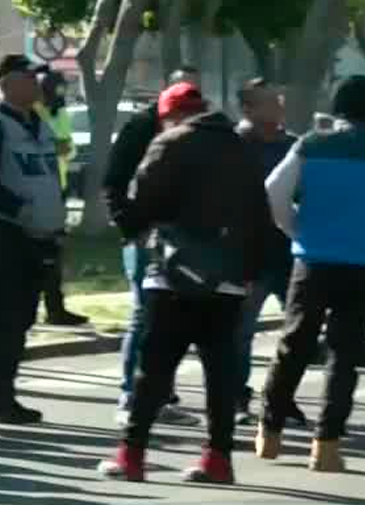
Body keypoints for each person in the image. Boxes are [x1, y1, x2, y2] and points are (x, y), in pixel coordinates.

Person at [98, 82, 269, 484]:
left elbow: (145, 204)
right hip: (228, 277)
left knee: (154, 368)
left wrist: (131, 223)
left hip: (174, 275)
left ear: (170, 114)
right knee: (221, 371)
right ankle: (218, 459)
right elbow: (260, 215)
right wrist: (248, 270)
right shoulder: (242, 147)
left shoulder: (171, 143)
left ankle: (131, 455)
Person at [256, 76, 365, 473]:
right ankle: (327, 445)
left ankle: (270, 432)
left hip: (312, 260)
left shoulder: (311, 144)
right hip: (360, 265)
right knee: (344, 354)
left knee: (294, 344)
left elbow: (273, 191)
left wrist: (295, 228)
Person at [0, 55, 65, 424]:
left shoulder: (38, 123)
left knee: (23, 315)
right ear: (6, 83)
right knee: (0, 314)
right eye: (28, 77)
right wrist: (23, 213)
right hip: (6, 234)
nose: (37, 84)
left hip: (41, 235)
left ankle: (8, 391)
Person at [102, 67, 203, 428]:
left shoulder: (200, 132)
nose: (191, 101)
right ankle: (131, 396)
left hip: (185, 238)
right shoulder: (142, 128)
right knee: (145, 315)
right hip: (147, 236)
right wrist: (132, 229)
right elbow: (113, 181)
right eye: (183, 92)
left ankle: (160, 395)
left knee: (172, 320)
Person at [233, 78, 303, 426]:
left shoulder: (295, 146)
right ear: (247, 109)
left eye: (279, 100)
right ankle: (236, 399)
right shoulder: (233, 145)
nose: (278, 107)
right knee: (240, 331)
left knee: (297, 332)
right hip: (248, 254)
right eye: (268, 102)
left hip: (290, 253)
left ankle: (282, 398)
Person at [34, 68, 88, 327]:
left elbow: (69, 148)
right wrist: (55, 146)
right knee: (35, 252)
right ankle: (33, 308)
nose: (56, 97)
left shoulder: (60, 113)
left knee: (54, 253)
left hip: (59, 189)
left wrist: (61, 146)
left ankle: (55, 309)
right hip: (35, 189)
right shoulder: (30, 113)